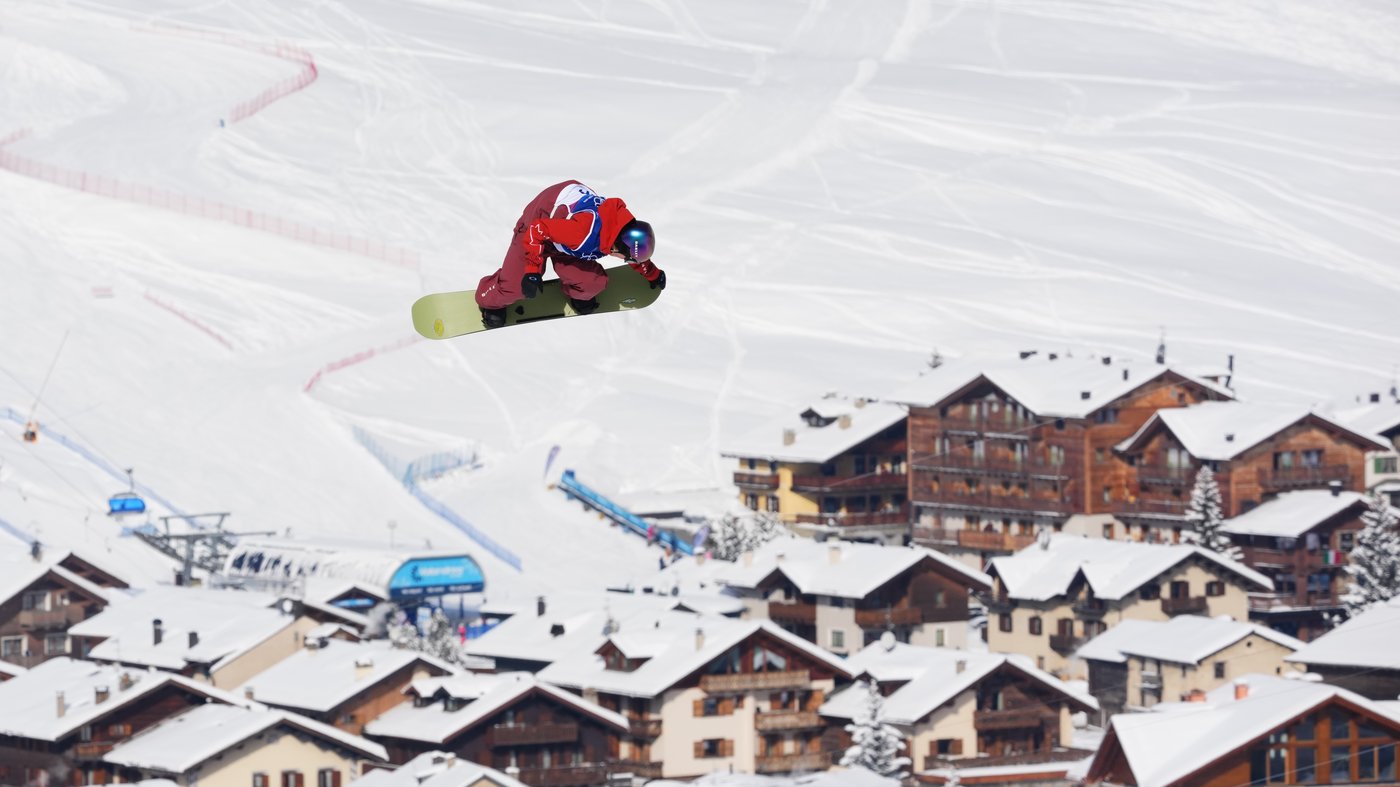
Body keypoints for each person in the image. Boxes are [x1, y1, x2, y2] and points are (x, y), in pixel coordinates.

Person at [475, 180, 665, 328]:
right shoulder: (583, 233)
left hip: (564, 238)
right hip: (537, 225)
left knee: (592, 283)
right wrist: (532, 270)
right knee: (516, 287)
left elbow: (632, 249)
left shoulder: (617, 230)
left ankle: (576, 293)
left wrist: (652, 273)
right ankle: (489, 301)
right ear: (617, 247)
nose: (629, 261)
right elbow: (537, 229)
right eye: (629, 258)